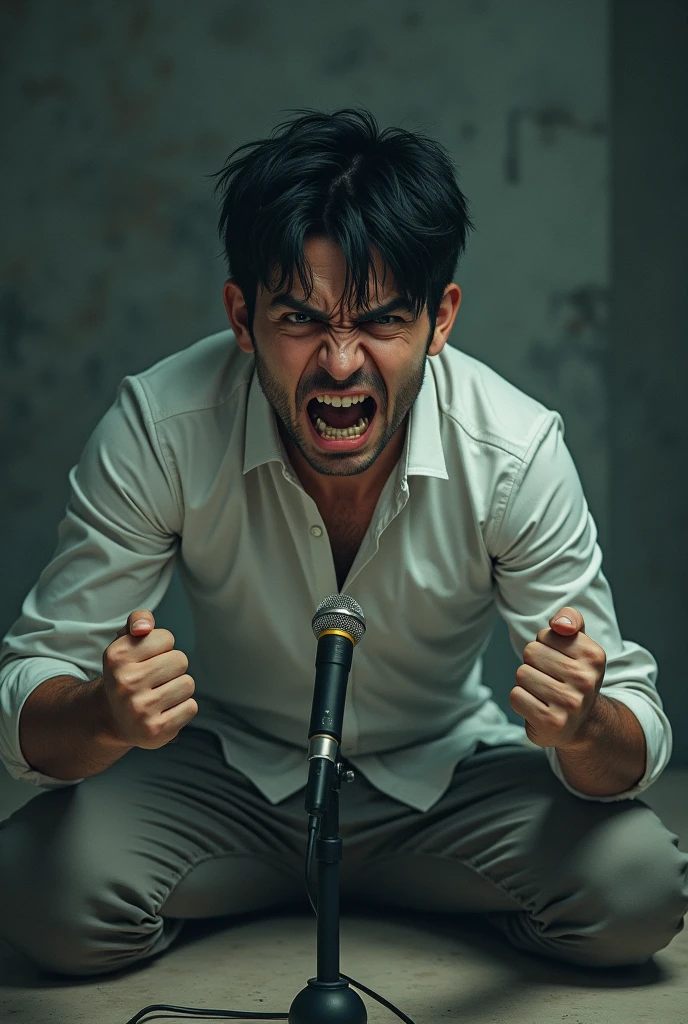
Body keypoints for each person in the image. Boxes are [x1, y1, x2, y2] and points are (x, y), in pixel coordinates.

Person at [0, 107, 686, 979]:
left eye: (380, 322)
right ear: (241, 317)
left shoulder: (515, 453)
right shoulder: (161, 427)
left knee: (636, 886)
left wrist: (584, 725)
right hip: (234, 784)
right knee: (33, 885)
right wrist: (104, 714)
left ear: (440, 320)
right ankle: (347, 890)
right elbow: (27, 692)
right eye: (300, 320)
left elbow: (632, 729)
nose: (339, 361)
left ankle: (381, 885)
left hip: (443, 789)